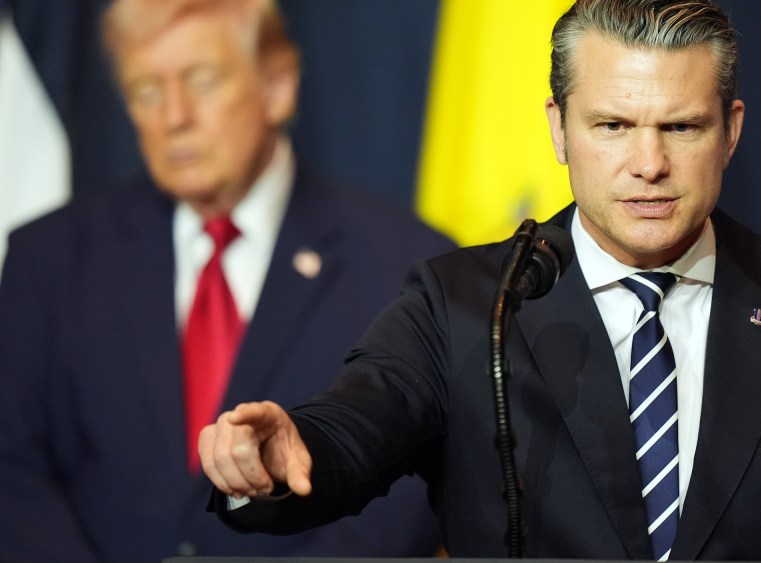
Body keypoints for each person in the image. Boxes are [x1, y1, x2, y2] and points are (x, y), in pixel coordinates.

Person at [198, 0, 761, 560]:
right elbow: (353, 429)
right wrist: (281, 452)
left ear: (731, 131)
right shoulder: (463, 305)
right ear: (559, 130)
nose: (649, 163)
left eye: (681, 126)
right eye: (613, 125)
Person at [0, 0, 453, 561]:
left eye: (201, 80)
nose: (174, 116)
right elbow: (11, 465)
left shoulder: (405, 262)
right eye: (146, 91)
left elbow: (408, 491)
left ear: (277, 88)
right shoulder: (49, 258)